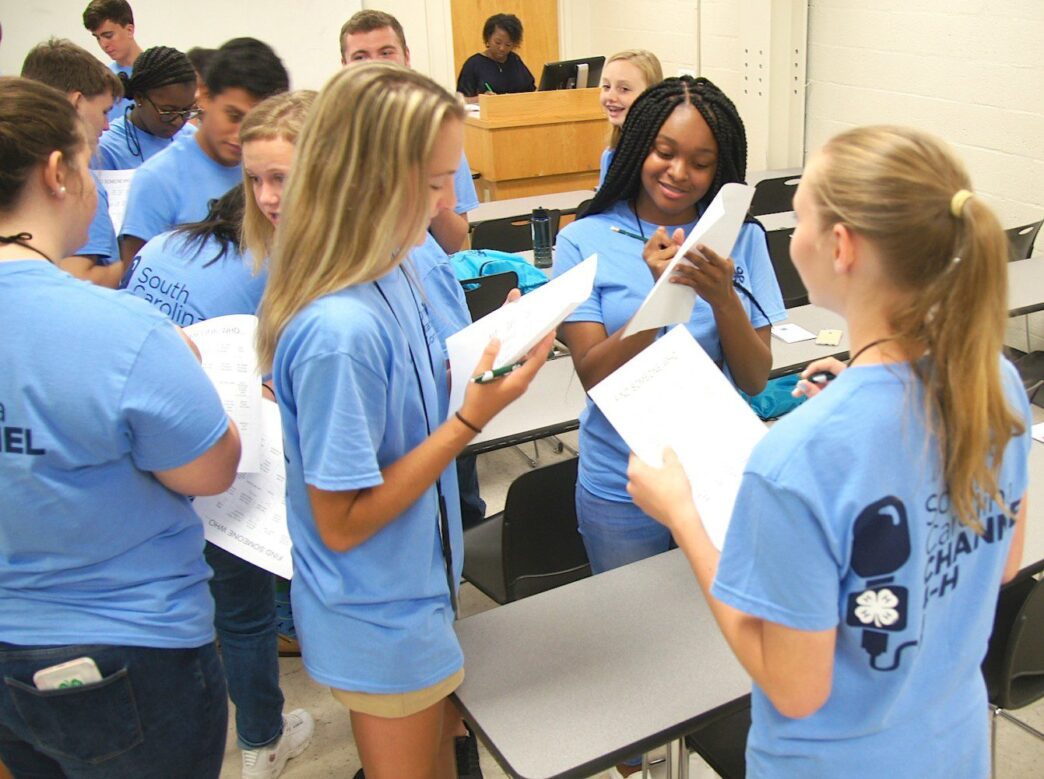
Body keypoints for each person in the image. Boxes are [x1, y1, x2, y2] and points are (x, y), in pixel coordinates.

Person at [627, 125, 1031, 778]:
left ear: (840, 246)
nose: (793, 236)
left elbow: (793, 688)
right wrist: (867, 390)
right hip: (950, 751)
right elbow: (1002, 560)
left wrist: (684, 517)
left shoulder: (796, 459)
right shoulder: (996, 384)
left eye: (801, 218)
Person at [256, 62, 553, 779]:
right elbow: (344, 520)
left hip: (419, 585)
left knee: (446, 749)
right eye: (430, 182)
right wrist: (470, 423)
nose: (447, 199)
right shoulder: (339, 332)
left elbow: (418, 392)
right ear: (365, 179)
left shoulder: (401, 264)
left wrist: (495, 348)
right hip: (378, 615)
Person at [0, 75, 240, 778]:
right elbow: (211, 469)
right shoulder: (123, 329)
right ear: (56, 172)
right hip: (133, 648)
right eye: (86, 162)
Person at [554, 78, 784, 775]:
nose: (679, 172)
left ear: (723, 168)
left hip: (717, 478)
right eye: (664, 150)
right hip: (621, 483)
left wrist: (721, 295)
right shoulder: (583, 239)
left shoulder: (740, 239)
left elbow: (752, 375)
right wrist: (666, 299)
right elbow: (595, 371)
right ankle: (644, 766)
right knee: (637, 657)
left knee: (718, 644)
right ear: (638, 146)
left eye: (702, 160)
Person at [118, 37, 289, 273]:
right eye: (233, 116)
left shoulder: (278, 171)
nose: (241, 134)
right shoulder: (157, 180)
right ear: (205, 96)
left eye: (256, 122)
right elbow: (136, 282)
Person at [340, 9, 478, 254]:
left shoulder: (438, 133)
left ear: (406, 56)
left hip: (426, 276)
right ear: (344, 66)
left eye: (386, 53)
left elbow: (456, 242)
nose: (375, 64)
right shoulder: (333, 138)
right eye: (360, 56)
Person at [20, 37, 126, 287]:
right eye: (104, 111)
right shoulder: (77, 180)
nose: (107, 125)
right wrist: (140, 258)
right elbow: (78, 279)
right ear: (76, 103)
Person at [95, 45, 198, 170]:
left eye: (187, 111)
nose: (178, 121)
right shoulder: (106, 150)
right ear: (139, 98)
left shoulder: (192, 138)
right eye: (167, 111)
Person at [597, 50, 662, 186]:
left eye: (624, 89)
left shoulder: (659, 161)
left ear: (651, 94)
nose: (610, 97)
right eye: (606, 86)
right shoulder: (610, 155)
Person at [82, 0, 141, 121]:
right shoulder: (101, 80)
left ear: (129, 30)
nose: (103, 44)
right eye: (97, 38)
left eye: (108, 36)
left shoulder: (161, 72)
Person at [456, 13, 535, 100]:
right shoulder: (473, 64)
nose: (502, 48)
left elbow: (531, 90)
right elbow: (460, 101)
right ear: (488, 38)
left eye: (508, 44)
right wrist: (480, 99)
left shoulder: (515, 60)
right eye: (497, 42)